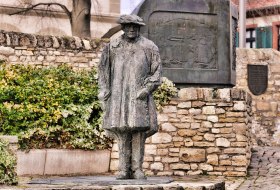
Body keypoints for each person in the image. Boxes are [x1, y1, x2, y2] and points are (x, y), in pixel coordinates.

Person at [98, 14, 162, 180]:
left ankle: (137, 168)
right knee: (122, 131)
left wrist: (147, 89)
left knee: (138, 131)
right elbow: (104, 71)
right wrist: (104, 90)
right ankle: (123, 169)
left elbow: (156, 73)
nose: (131, 29)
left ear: (139, 27)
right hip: (119, 95)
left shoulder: (149, 47)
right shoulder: (113, 46)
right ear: (123, 27)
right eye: (128, 26)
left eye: (135, 26)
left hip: (138, 95)